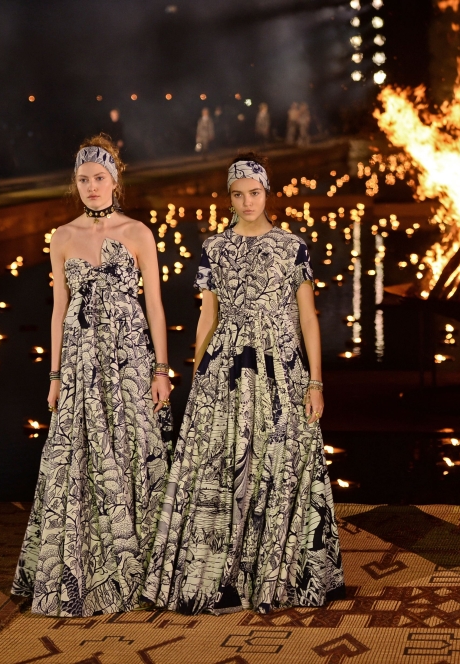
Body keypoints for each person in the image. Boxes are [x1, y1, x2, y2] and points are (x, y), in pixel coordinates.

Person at [143, 154, 345, 615]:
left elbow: (308, 319)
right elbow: (207, 317)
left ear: (266, 193)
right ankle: (223, 576)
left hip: (280, 366)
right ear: (230, 197)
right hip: (226, 366)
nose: (246, 201)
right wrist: (197, 374)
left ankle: (278, 570)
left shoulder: (292, 246)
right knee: (221, 464)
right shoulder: (214, 247)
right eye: (238, 194)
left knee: (280, 460)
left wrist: (315, 382)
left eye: (254, 192)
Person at [12, 135, 174, 617]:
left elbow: (156, 306)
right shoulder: (62, 237)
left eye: (99, 178)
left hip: (130, 359)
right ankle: (77, 571)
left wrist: (161, 370)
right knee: (76, 456)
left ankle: (140, 568)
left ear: (115, 179)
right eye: (83, 179)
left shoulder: (139, 233)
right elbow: (59, 308)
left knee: (132, 450)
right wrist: (55, 374)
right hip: (82, 364)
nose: (91, 187)